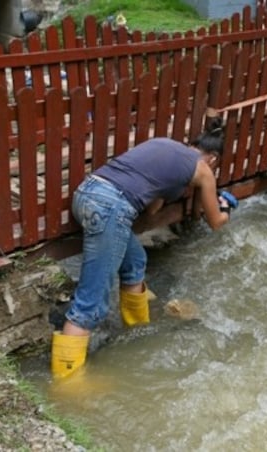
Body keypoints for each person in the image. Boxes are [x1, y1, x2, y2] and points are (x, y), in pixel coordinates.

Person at [51, 118, 236, 378]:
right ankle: (66, 380)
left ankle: (136, 331)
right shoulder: (203, 171)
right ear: (213, 159)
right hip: (110, 208)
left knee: (135, 260)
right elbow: (216, 222)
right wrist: (225, 207)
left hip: (86, 193)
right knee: (90, 303)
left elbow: (151, 205)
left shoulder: (165, 145)